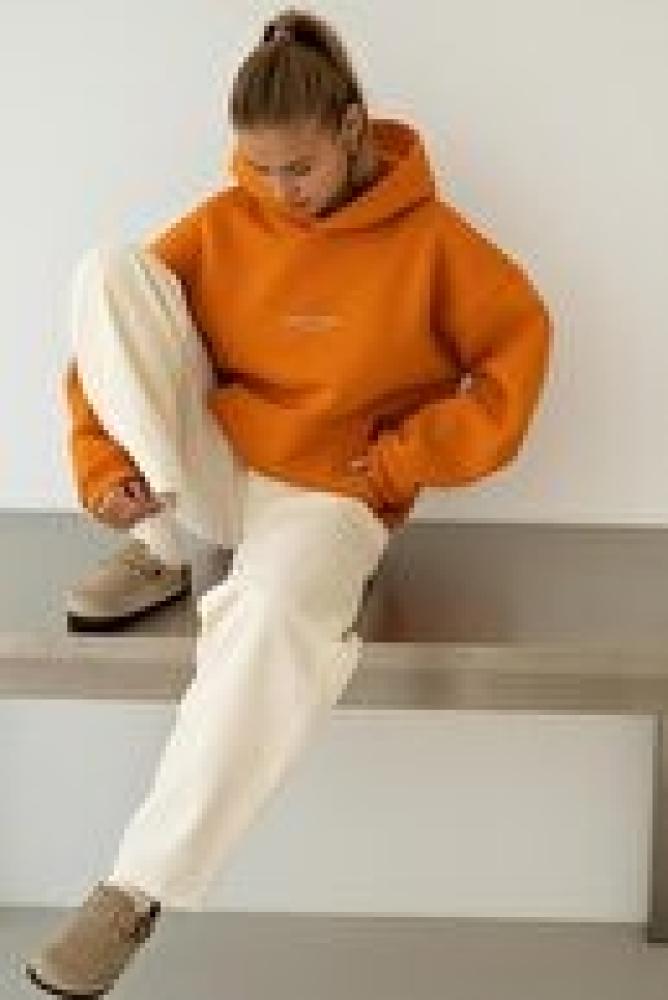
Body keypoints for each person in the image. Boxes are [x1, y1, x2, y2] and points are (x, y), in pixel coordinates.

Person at [22, 7, 552, 997]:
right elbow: (111, 337)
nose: (279, 191)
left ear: (350, 128)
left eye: (298, 168)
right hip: (212, 472)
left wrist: (395, 466)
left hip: (330, 498)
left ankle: (133, 889)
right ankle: (157, 543)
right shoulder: (227, 220)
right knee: (110, 271)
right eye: (258, 168)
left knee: (268, 618)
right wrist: (104, 466)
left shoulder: (436, 245)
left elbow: (514, 359)